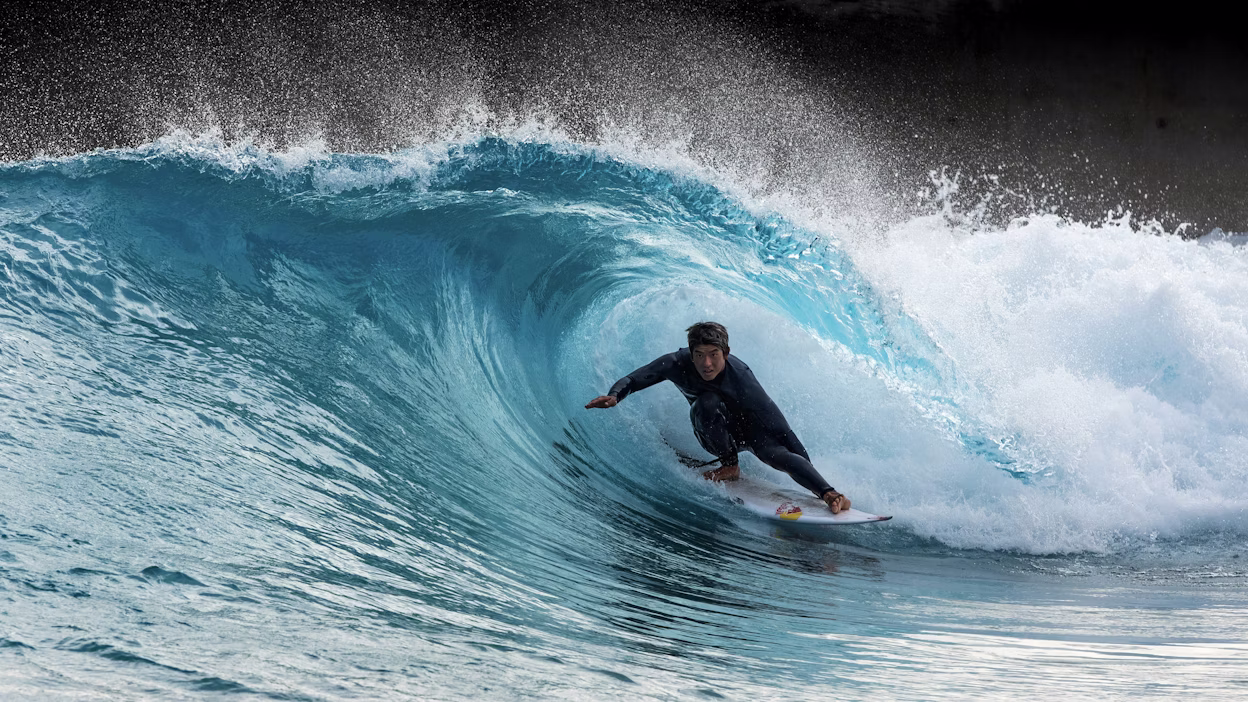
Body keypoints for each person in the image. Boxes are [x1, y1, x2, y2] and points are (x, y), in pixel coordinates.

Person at [584, 321, 851, 514]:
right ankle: (729, 466)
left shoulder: (743, 380)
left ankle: (831, 494)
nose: (706, 363)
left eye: (714, 355)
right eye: (699, 355)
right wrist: (615, 395)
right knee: (707, 403)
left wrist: (815, 479)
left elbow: (782, 428)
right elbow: (635, 378)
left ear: (726, 353)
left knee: (779, 455)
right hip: (713, 428)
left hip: (751, 429)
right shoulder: (676, 363)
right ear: (691, 353)